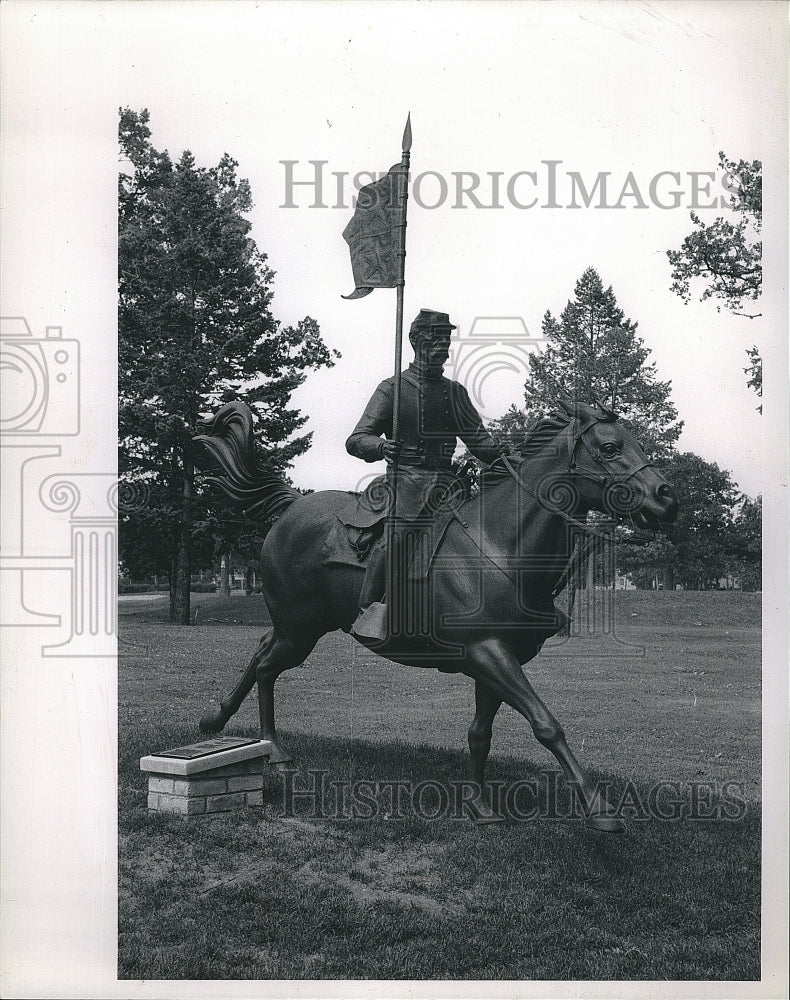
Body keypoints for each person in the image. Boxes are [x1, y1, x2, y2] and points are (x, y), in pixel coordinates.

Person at [346, 308, 507, 640]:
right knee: (397, 538)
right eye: (436, 338)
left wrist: (510, 454)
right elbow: (356, 439)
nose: (444, 346)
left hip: (448, 486)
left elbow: (480, 443)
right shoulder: (393, 389)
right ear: (416, 341)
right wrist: (379, 448)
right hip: (406, 481)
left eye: (447, 338)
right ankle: (371, 609)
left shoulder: (456, 392)